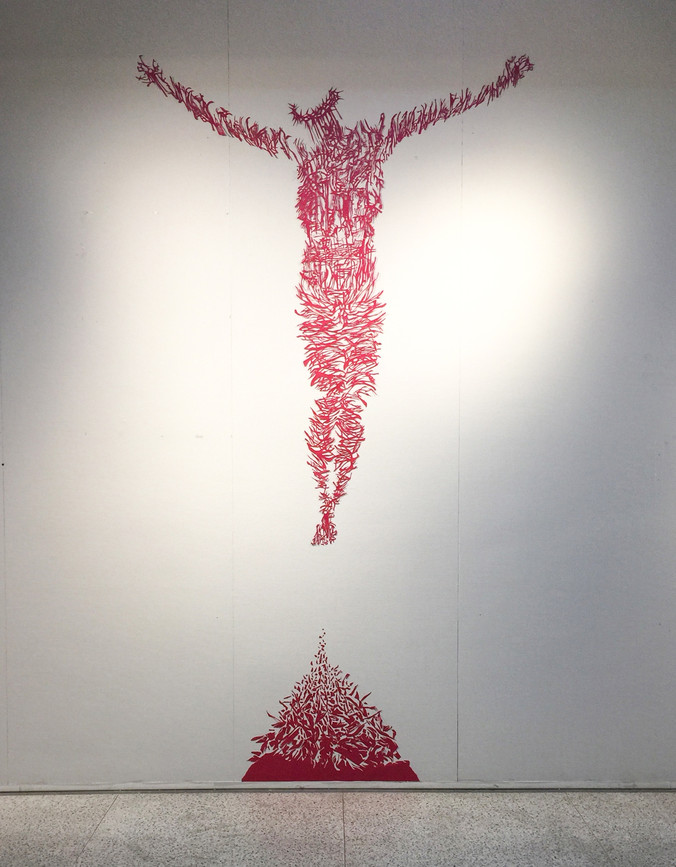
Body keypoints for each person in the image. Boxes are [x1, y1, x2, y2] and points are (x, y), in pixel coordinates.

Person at [137, 55, 533, 544]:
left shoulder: (357, 147)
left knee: (348, 398)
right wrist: (166, 83)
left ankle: (330, 503)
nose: (322, 127)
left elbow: (443, 109)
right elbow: (232, 125)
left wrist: (501, 80)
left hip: (348, 288)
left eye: (322, 117)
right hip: (329, 289)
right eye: (315, 120)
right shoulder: (333, 150)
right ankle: (326, 504)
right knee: (336, 396)